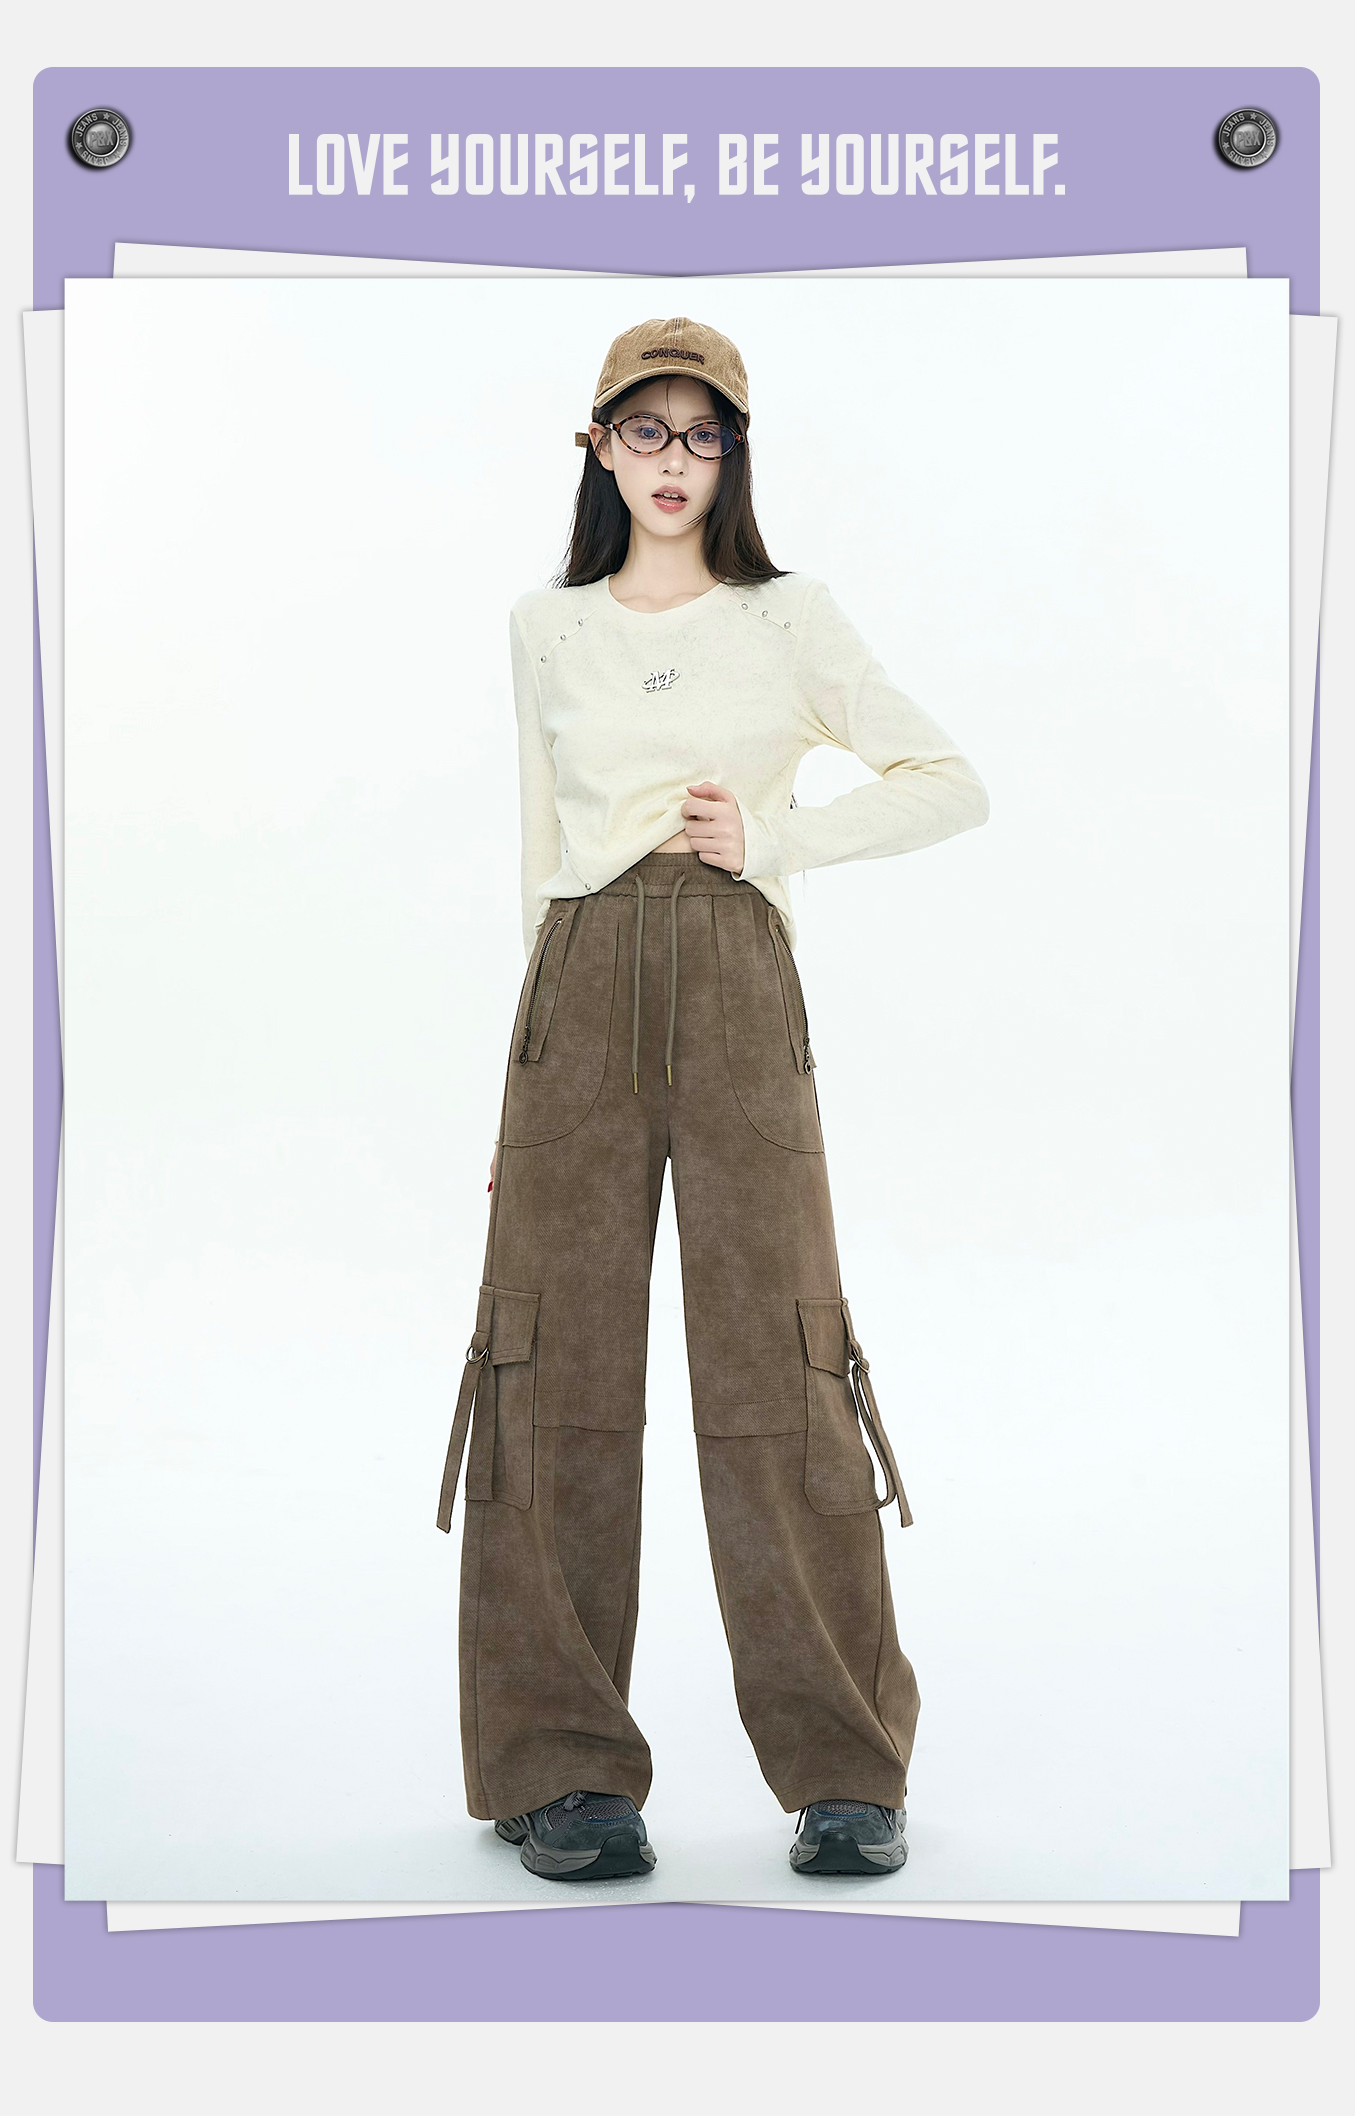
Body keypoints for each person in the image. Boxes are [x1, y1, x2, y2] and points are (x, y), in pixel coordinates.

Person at [436, 314, 989, 1883]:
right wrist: (516, 1103)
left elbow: (948, 782)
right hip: (575, 999)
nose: (674, 459)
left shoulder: (789, 616)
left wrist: (776, 838)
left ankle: (847, 1770)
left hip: (743, 987)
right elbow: (537, 858)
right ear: (598, 445)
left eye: (703, 433)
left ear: (734, 454)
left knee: (783, 1368)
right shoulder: (546, 629)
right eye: (646, 428)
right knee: (547, 1367)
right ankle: (557, 1770)